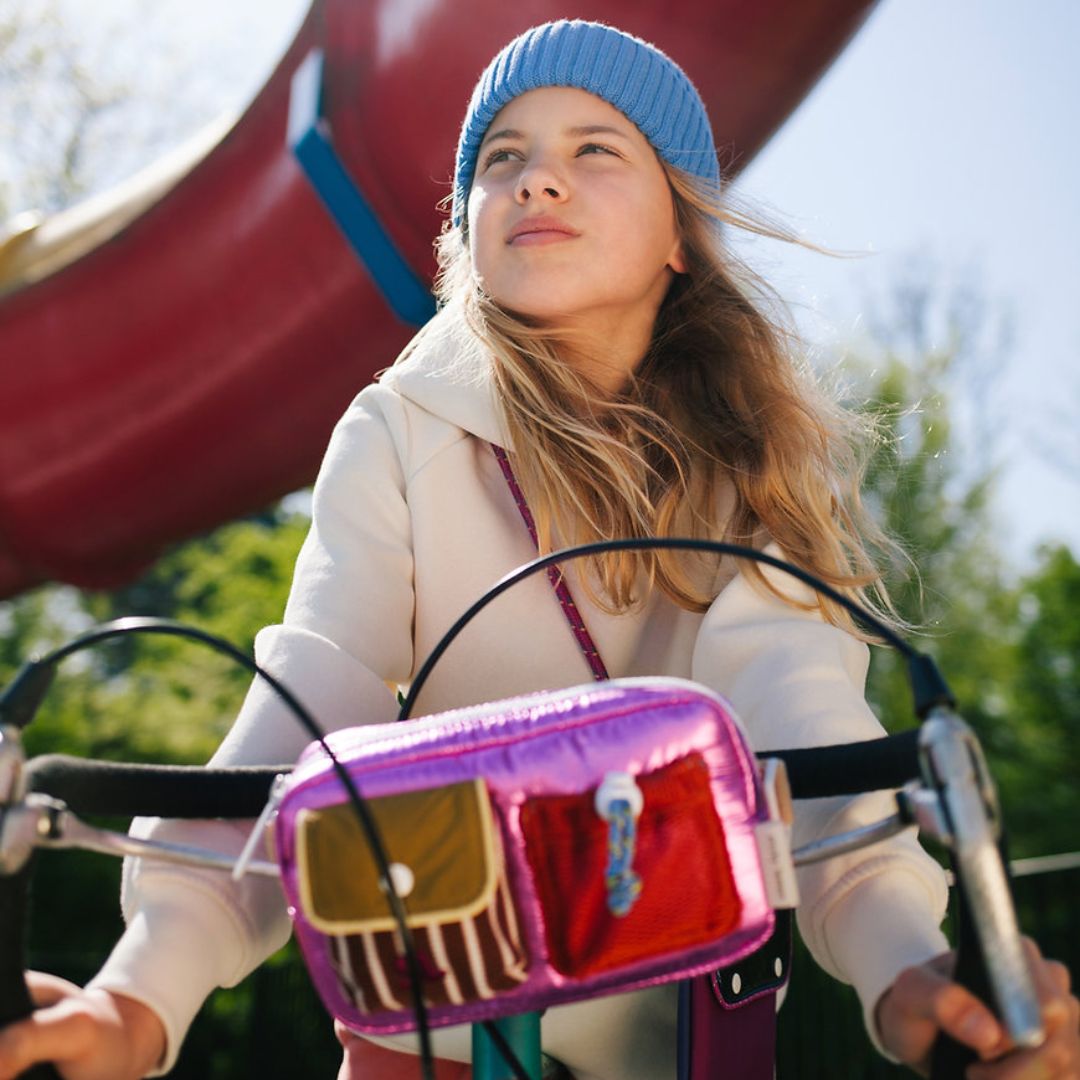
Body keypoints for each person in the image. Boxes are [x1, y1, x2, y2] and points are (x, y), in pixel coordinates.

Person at [1, 19, 1076, 1080]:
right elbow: (298, 727)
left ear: (679, 234)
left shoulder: (758, 467)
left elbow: (813, 744)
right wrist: (135, 1001)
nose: (536, 180)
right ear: (468, 229)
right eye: (502, 159)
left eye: (593, 150)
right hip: (428, 1035)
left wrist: (914, 974)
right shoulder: (399, 431)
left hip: (685, 1035)